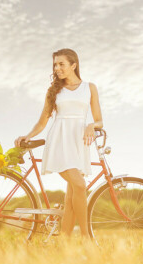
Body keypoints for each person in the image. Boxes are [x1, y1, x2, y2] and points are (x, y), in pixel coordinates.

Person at [14, 48, 103, 238]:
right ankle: (87, 238)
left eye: (61, 64)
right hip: (59, 141)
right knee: (80, 186)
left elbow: (99, 120)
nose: (57, 68)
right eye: (55, 64)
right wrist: (28, 136)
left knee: (71, 197)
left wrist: (91, 126)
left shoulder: (90, 87)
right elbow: (43, 120)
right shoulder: (54, 91)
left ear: (74, 65)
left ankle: (65, 241)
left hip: (79, 143)